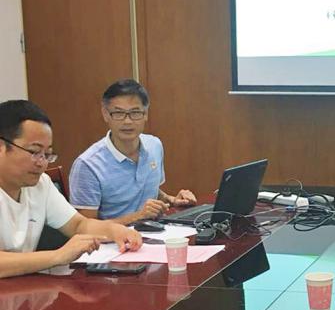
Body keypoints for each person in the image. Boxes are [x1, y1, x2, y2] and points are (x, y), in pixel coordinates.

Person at [0, 100, 142, 278]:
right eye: (34, 152)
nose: (42, 163)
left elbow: (78, 225)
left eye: (47, 154)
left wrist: (115, 231)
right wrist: (58, 256)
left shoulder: (41, 184)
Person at [69, 79, 196, 224]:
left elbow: (149, 191)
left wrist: (172, 200)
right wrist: (138, 216)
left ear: (145, 114)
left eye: (135, 113)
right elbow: (86, 228)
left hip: (153, 231)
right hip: (114, 238)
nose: (127, 121)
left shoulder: (154, 145)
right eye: (118, 113)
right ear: (105, 114)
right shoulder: (87, 165)